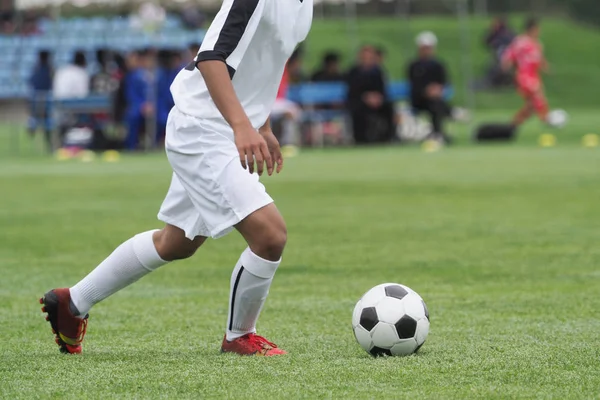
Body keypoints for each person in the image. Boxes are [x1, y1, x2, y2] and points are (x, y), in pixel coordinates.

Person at [40, 0, 313, 357]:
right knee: (270, 234)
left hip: (222, 127)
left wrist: (261, 123)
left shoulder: (304, 5)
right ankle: (239, 336)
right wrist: (242, 125)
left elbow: (266, 63)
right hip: (204, 127)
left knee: (178, 241)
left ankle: (72, 302)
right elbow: (212, 59)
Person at [502, 18, 554, 128]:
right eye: (537, 29)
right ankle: (546, 120)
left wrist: (545, 66)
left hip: (534, 76)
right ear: (532, 29)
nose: (539, 32)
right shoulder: (520, 42)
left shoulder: (537, 44)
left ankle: (514, 123)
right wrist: (506, 65)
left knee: (531, 106)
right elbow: (509, 55)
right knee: (538, 97)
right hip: (524, 76)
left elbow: (539, 59)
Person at [407, 32, 453, 144]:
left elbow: (444, 83)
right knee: (436, 104)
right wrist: (427, 91)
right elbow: (415, 85)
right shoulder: (414, 65)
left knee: (437, 104)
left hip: (435, 98)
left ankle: (438, 133)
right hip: (419, 99)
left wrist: (437, 90)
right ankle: (436, 133)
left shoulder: (438, 65)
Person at [346, 45, 395, 144]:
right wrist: (366, 97)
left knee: (388, 107)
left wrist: (377, 97)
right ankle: (360, 139)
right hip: (359, 100)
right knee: (357, 110)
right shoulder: (354, 72)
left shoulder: (378, 71)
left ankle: (388, 137)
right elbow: (352, 91)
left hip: (376, 101)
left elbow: (382, 89)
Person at [124, 49, 155, 150]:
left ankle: (156, 145)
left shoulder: (159, 74)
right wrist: (143, 105)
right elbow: (131, 94)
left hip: (157, 106)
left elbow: (163, 94)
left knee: (163, 119)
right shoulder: (134, 75)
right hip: (138, 106)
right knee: (133, 117)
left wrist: (153, 105)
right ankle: (132, 146)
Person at [28, 50, 53, 147]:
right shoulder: (48, 69)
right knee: (45, 119)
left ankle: (33, 129)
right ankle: (46, 137)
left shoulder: (37, 69)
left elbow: (31, 82)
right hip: (44, 98)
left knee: (39, 118)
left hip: (38, 98)